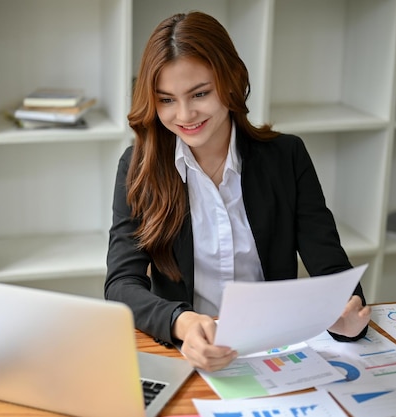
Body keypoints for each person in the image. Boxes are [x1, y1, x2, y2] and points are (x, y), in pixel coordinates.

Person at [105, 11, 371, 372]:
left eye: (200, 93)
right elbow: (121, 285)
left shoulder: (286, 157)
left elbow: (333, 270)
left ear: (231, 82)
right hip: (186, 352)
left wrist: (347, 316)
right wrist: (182, 322)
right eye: (166, 99)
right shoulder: (138, 166)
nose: (184, 114)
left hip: (276, 351)